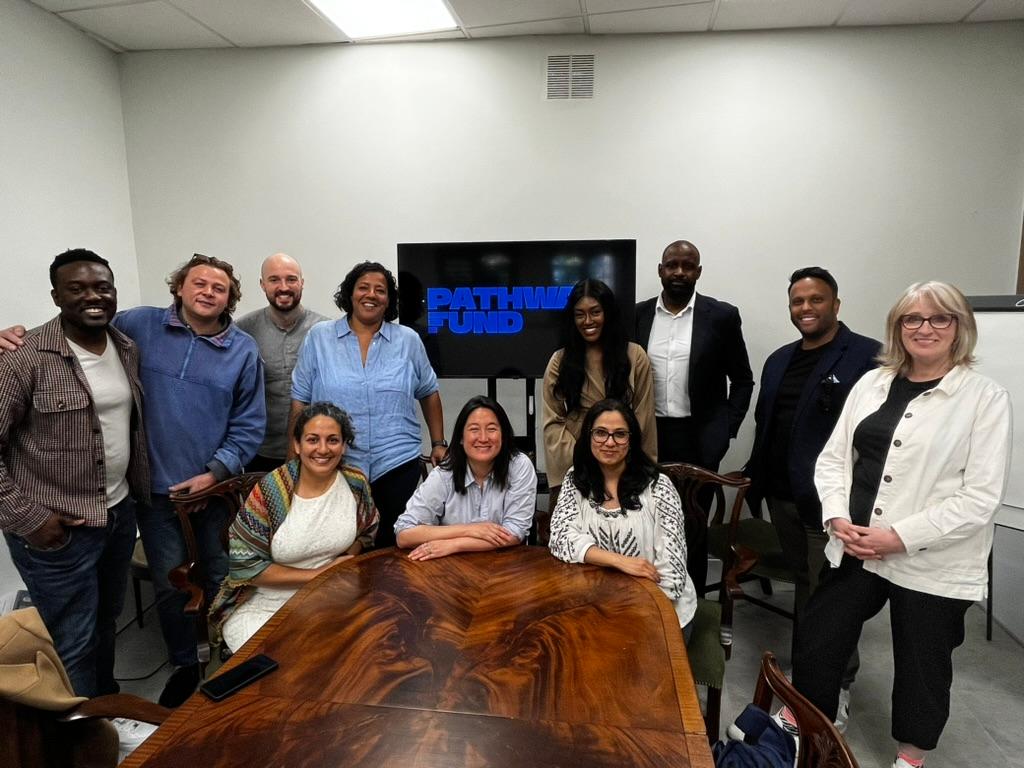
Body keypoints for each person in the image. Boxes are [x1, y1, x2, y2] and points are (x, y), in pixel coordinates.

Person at [0, 254, 266, 706]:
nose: (207, 292)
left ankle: (225, 662)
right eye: (198, 283)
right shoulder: (136, 327)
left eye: (218, 288)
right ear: (178, 289)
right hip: (148, 497)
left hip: (204, 495)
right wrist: (11, 335)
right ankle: (181, 664)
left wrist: (215, 473)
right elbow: (72, 327)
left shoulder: (236, 350)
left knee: (222, 577)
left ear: (230, 298)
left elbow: (248, 423)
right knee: (167, 584)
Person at [786, 282, 1012, 768]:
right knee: (820, 640)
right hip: (856, 543)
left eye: (939, 319)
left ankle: (910, 757)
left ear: (960, 328)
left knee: (922, 663)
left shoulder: (984, 398)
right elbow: (833, 460)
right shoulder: (872, 383)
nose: (924, 328)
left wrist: (899, 537)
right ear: (897, 327)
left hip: (930, 559)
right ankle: (812, 727)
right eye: (913, 319)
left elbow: (980, 496)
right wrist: (836, 516)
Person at [0, 249, 148, 698]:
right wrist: (29, 520)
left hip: (118, 514)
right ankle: (77, 743)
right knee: (74, 641)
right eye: (77, 289)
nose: (93, 297)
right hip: (59, 529)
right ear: (56, 295)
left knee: (106, 623)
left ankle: (102, 711)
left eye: (102, 287)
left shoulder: (125, 348)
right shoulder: (23, 356)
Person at [743, 266, 881, 730]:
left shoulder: (866, 356)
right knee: (807, 585)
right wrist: (754, 478)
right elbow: (768, 423)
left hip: (831, 505)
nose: (806, 308)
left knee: (830, 599)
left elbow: (877, 436)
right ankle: (809, 677)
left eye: (816, 300)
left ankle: (833, 688)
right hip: (782, 496)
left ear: (835, 305)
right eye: (798, 301)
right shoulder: (779, 359)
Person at [290, 261, 445, 549]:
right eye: (363, 287)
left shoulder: (408, 340)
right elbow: (300, 398)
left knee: (393, 546)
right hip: (336, 463)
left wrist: (438, 442)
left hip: (397, 462)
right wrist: (293, 458)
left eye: (380, 290)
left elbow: (429, 391)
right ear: (350, 294)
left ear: (389, 300)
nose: (371, 294)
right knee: (338, 546)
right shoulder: (319, 338)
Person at [209, 402, 378, 652]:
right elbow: (246, 566)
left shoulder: (355, 483)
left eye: (333, 440)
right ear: (297, 445)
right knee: (288, 661)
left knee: (364, 652)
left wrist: (341, 566)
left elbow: (367, 532)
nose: (323, 449)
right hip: (269, 605)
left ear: (344, 446)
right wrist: (319, 575)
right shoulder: (270, 492)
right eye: (312, 440)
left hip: (335, 598)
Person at [548, 399, 697, 633]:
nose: (609, 442)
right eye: (600, 433)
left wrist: (625, 615)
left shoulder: (659, 487)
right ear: (588, 437)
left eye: (620, 434)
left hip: (658, 611)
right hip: (595, 608)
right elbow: (559, 538)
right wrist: (620, 561)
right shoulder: (575, 479)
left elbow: (673, 577)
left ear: (632, 440)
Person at [633, 240, 753, 471]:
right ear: (661, 270)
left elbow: (742, 380)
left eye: (687, 266)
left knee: (696, 507)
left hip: (702, 437)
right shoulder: (638, 315)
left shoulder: (721, 317)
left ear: (698, 272)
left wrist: (726, 428)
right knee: (650, 506)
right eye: (672, 265)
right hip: (648, 434)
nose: (679, 272)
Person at [543, 278, 656, 498]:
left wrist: (627, 460)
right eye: (579, 314)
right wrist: (586, 457)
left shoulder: (635, 356)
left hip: (626, 460)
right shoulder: (559, 360)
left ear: (608, 314)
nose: (587, 321)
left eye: (595, 312)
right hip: (576, 465)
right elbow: (552, 422)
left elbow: (644, 418)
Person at [395, 396, 537, 560]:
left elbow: (514, 532)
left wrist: (455, 545)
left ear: (503, 435)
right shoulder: (445, 473)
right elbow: (404, 534)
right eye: (474, 429)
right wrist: (470, 529)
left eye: (491, 429)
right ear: (461, 437)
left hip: (506, 568)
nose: (483, 438)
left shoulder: (519, 466)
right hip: (452, 571)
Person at [236, 253, 327, 472]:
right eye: (274, 279)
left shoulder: (325, 332)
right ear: (262, 284)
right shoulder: (242, 331)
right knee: (261, 507)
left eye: (291, 279)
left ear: (302, 283)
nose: (283, 287)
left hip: (316, 451)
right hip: (258, 451)